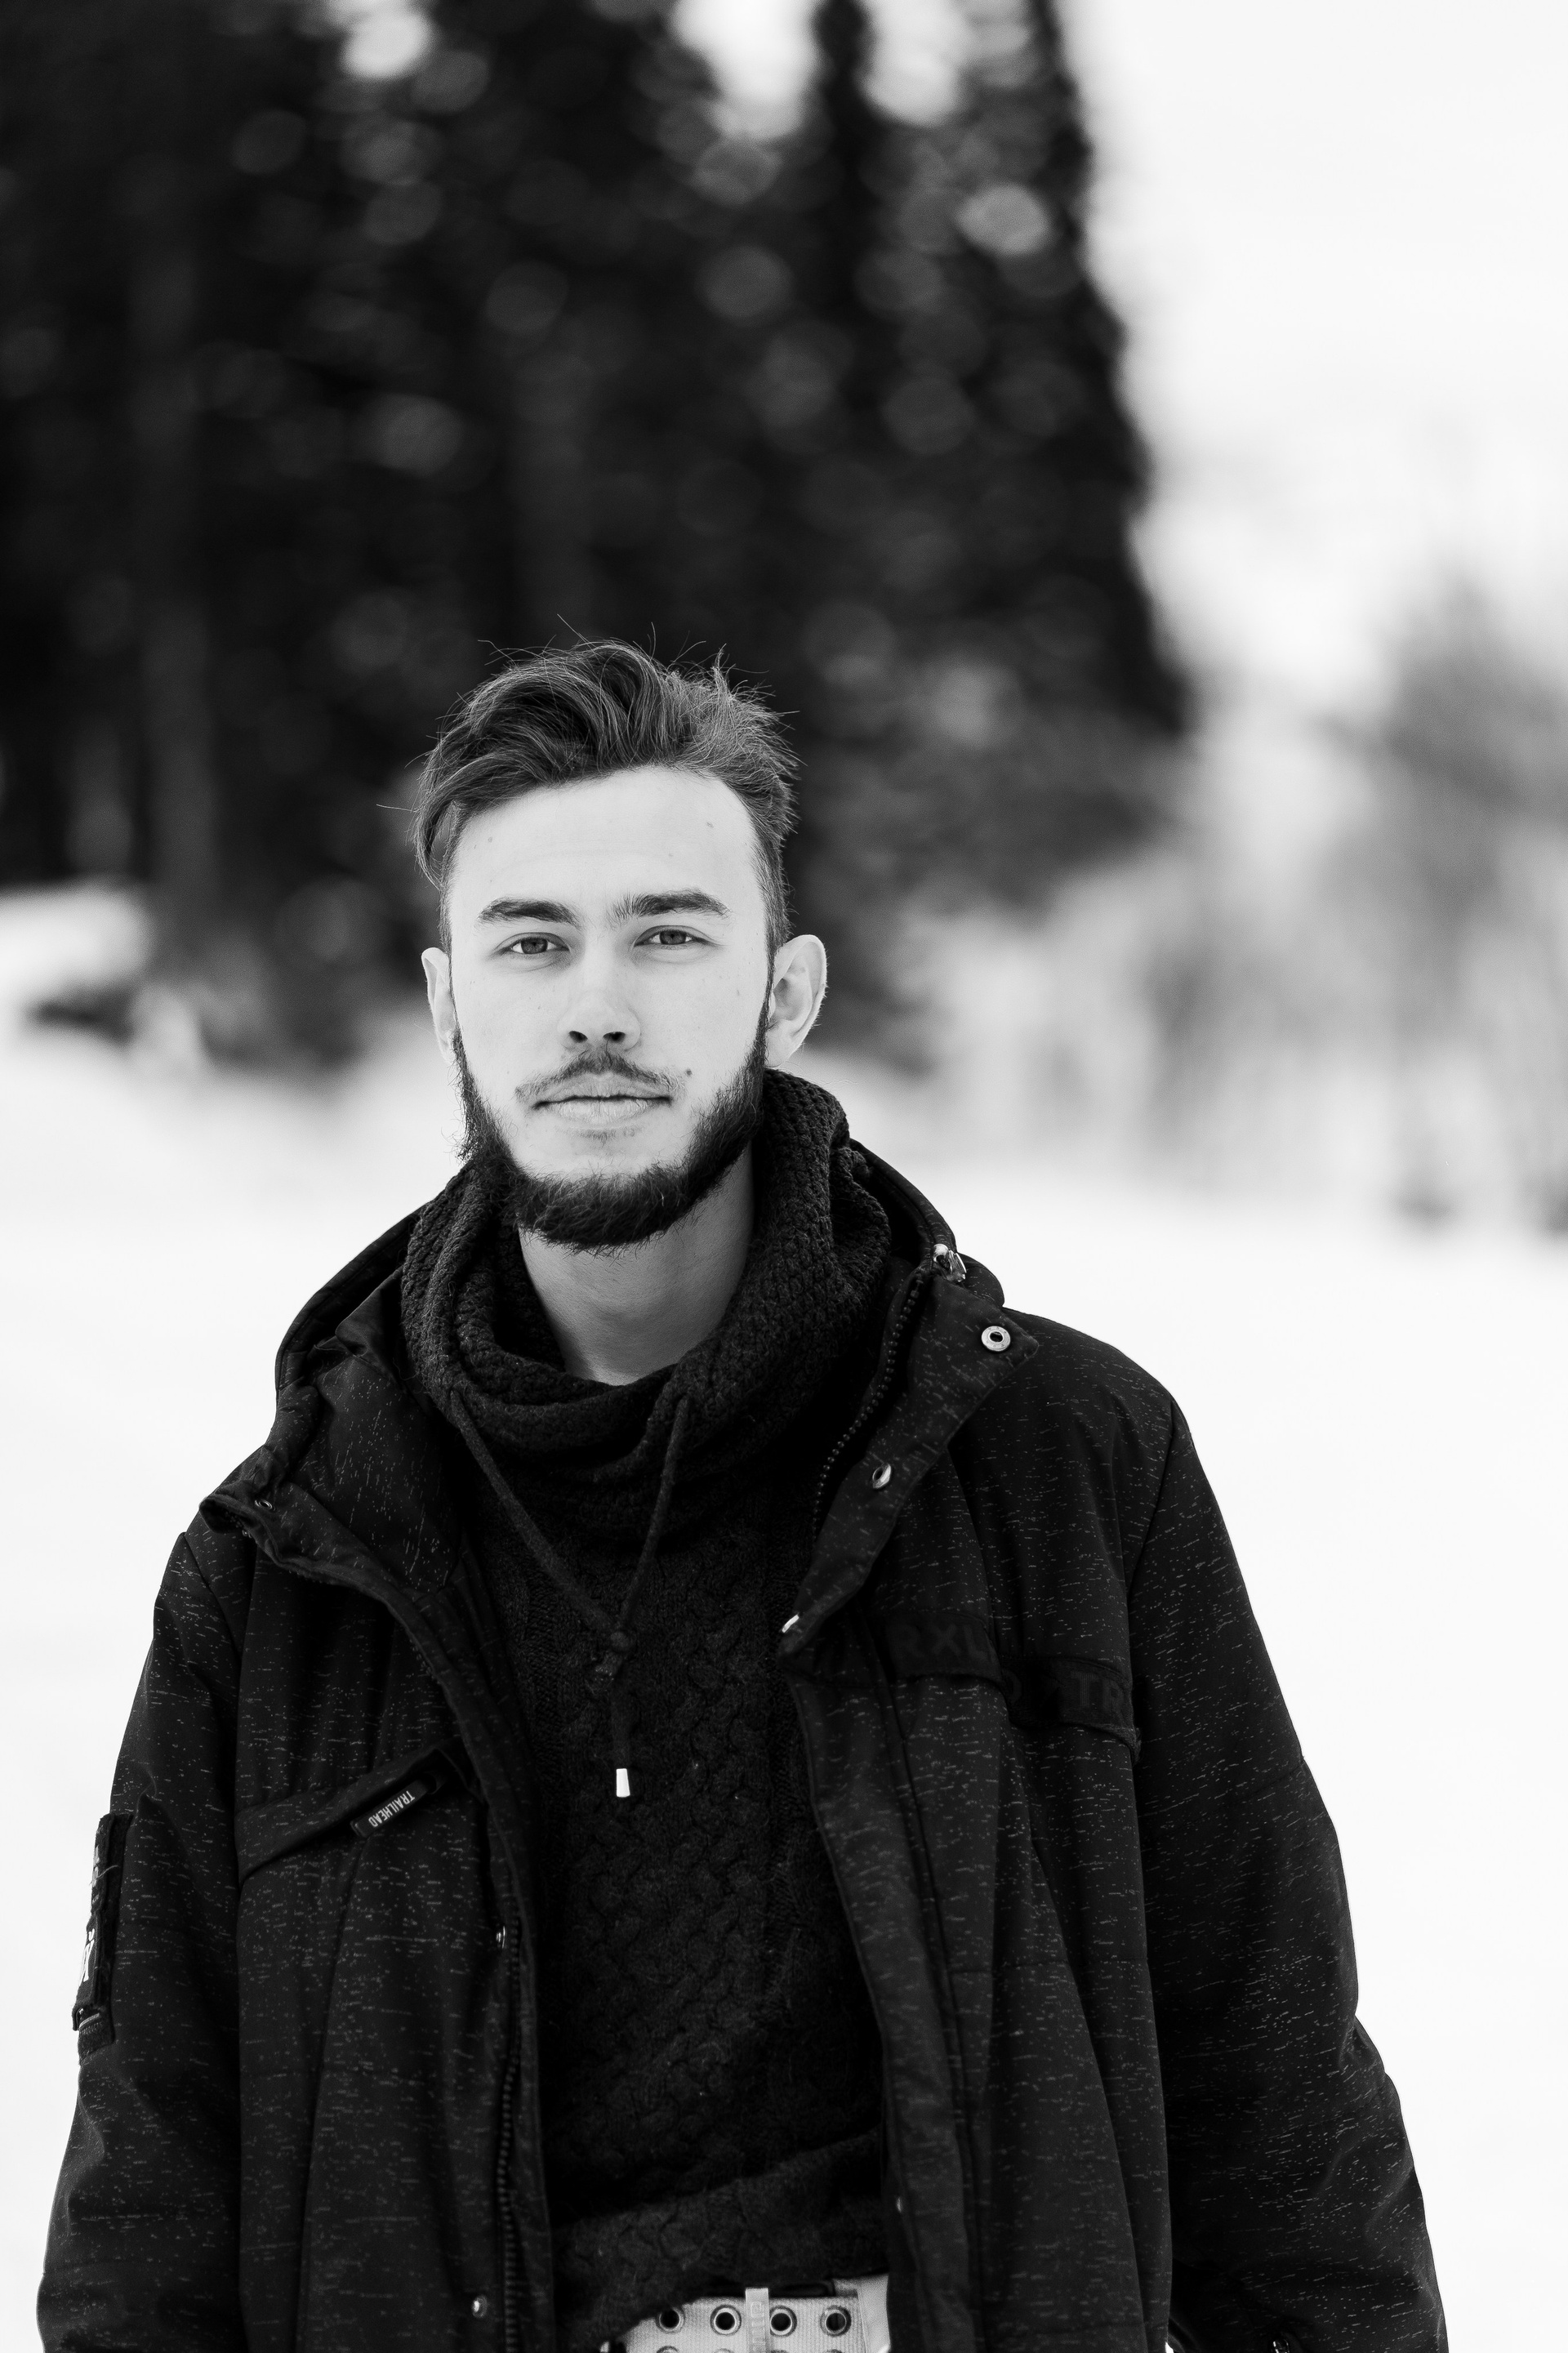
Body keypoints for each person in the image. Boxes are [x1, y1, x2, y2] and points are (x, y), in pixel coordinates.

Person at [39, 640, 1445, 2353]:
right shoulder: (286, 1566)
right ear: (447, 1003)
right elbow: (146, 2221)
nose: (597, 1005)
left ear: (785, 994)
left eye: (668, 934)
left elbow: (1286, 2128)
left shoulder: (1065, 1468)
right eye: (532, 942)